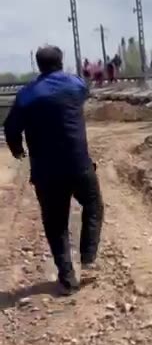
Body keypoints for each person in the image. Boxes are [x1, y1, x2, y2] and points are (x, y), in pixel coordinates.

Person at [3, 45, 104, 294]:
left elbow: (11, 128)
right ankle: (88, 255)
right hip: (78, 165)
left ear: (38, 65)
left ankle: (67, 277)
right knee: (93, 205)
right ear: (61, 62)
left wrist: (17, 149)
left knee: (55, 223)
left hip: (46, 172)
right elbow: (84, 92)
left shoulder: (27, 94)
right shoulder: (75, 85)